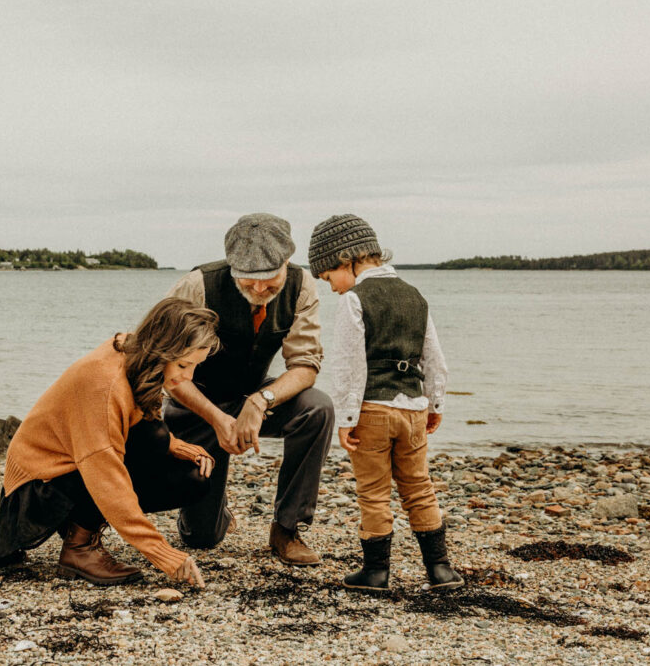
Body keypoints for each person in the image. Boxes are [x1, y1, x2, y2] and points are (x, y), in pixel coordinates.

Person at [0, 298, 220, 588]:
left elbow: (135, 421)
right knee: (141, 470)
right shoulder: (104, 385)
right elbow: (106, 476)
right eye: (183, 364)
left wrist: (175, 446)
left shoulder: (134, 354)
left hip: (72, 467)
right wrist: (163, 554)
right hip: (38, 485)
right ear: (161, 349)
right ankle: (79, 549)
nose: (188, 377)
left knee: (192, 477)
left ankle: (80, 531)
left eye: (196, 366)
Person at [165, 213, 334, 565]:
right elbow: (168, 370)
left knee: (317, 408)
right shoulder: (197, 285)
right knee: (202, 539)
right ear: (231, 265)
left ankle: (287, 529)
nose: (259, 289)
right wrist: (216, 417)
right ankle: (211, 514)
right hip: (197, 405)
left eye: (269, 279)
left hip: (251, 396)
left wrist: (259, 401)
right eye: (247, 278)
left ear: (287, 260)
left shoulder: (301, 286)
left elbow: (305, 366)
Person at [308, 214, 463, 592]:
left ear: (346, 260)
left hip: (372, 411)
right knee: (419, 486)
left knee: (374, 491)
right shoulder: (414, 295)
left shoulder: (354, 300)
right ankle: (440, 569)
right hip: (413, 408)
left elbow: (349, 365)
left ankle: (376, 571)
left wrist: (346, 417)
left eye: (328, 277)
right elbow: (434, 358)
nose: (331, 288)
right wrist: (435, 403)